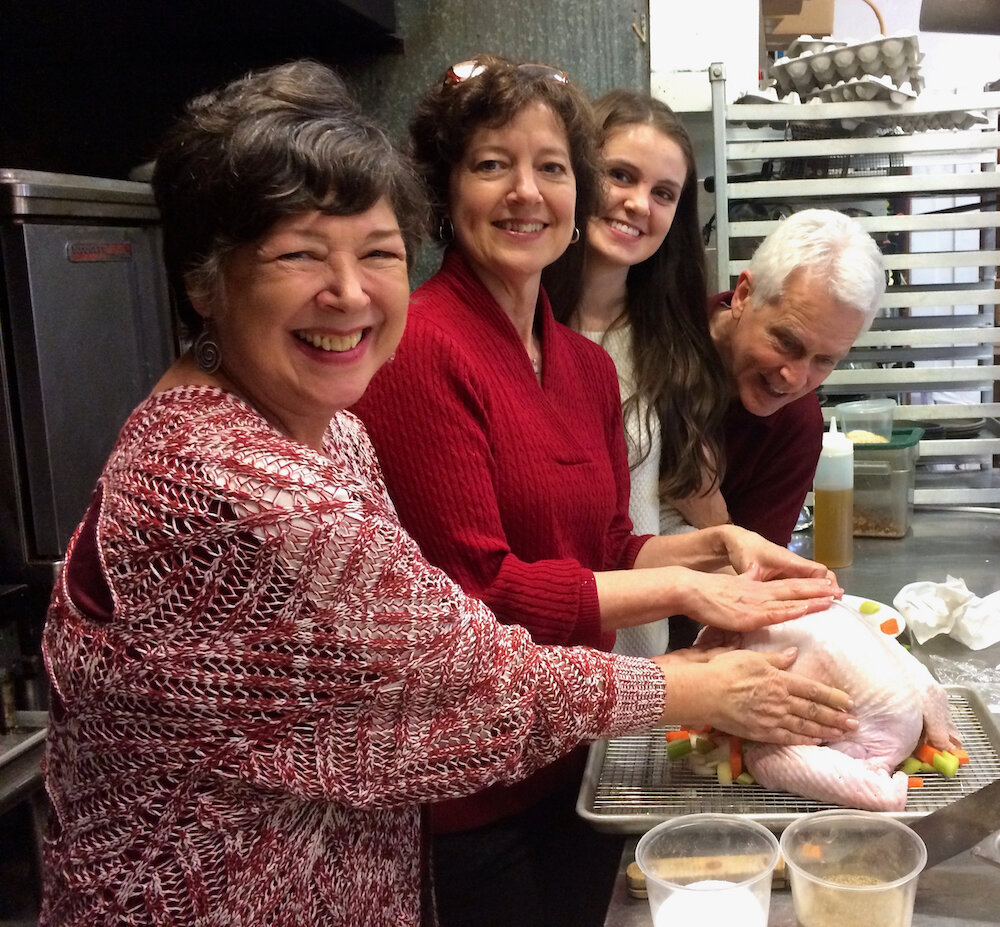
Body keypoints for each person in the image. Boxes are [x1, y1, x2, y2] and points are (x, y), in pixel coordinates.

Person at [39, 60, 702, 927]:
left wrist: (705, 573)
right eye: (300, 255)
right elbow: (472, 676)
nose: (349, 294)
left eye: (379, 252)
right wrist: (703, 685)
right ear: (205, 282)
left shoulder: (316, 420)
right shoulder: (241, 483)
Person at [351, 56, 857, 927]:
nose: (527, 193)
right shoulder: (420, 346)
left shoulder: (582, 366)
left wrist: (716, 546)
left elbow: (612, 546)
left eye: (551, 167)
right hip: (476, 779)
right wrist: (688, 591)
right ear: (444, 187)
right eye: (491, 164)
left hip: (583, 753)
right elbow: (476, 593)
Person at [543, 89, 730, 656]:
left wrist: (732, 582)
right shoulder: (513, 330)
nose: (638, 204)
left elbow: (650, 519)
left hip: (636, 661)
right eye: (619, 175)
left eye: (663, 193)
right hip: (534, 659)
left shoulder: (668, 343)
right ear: (574, 170)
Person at [707, 208, 885, 546]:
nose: (795, 378)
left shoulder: (797, 425)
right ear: (744, 296)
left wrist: (702, 502)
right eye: (787, 342)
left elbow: (754, 575)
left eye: (825, 360)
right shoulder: (653, 337)